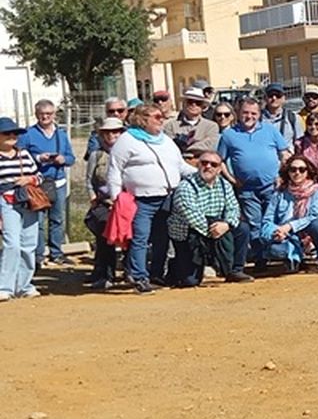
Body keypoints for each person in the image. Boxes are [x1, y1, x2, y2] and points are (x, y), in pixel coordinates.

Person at [107, 103, 194, 293]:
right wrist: (116, 198)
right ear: (142, 119)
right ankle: (139, 277)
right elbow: (115, 170)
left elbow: (180, 166)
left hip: (166, 197)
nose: (161, 120)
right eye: (156, 117)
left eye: (162, 116)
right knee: (141, 238)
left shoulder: (166, 141)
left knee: (162, 239)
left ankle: (156, 273)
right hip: (140, 200)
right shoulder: (127, 140)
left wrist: (200, 173)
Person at [217, 97, 292, 279]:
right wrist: (232, 179)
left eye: (253, 113)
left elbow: (284, 153)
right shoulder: (229, 135)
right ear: (238, 113)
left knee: (274, 220)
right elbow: (220, 161)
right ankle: (260, 258)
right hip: (247, 189)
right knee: (254, 224)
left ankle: (279, 254)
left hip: (272, 187)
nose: (249, 116)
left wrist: (282, 175)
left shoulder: (270, 130)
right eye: (245, 113)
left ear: (259, 114)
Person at [167, 147, 244, 286]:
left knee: (242, 229)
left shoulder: (225, 185)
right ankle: (176, 268)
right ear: (198, 165)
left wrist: (226, 225)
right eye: (204, 163)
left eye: (213, 164)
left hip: (216, 227)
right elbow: (193, 219)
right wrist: (216, 232)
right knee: (190, 282)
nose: (208, 166)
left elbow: (233, 208)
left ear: (219, 169)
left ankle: (234, 270)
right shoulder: (185, 187)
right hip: (190, 233)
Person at [254, 155, 318, 272]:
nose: (297, 173)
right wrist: (277, 232)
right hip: (287, 236)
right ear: (288, 172)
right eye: (293, 169)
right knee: (275, 250)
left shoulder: (316, 192)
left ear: (308, 172)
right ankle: (296, 258)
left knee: (317, 225)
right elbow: (267, 220)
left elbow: (314, 216)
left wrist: (290, 226)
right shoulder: (279, 193)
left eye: (302, 169)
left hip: (307, 231)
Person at [19, 99, 74, 266]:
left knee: (57, 219)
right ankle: (38, 255)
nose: (45, 117)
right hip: (37, 184)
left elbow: (71, 158)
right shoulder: (27, 134)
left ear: (54, 114)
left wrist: (63, 159)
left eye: (48, 114)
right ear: (36, 114)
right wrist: (38, 158)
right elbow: (19, 156)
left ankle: (57, 253)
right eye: (42, 114)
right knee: (38, 221)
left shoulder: (61, 134)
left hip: (58, 182)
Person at [0, 116, 44, 301]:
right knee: (12, 244)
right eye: (7, 133)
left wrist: (30, 179)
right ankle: (5, 287)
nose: (12, 137)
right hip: (6, 202)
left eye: (15, 133)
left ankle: (24, 285)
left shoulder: (24, 154)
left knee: (29, 244)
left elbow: (39, 176)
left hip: (28, 202)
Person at [83, 117, 126, 288]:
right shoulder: (97, 155)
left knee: (129, 238)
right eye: (107, 132)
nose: (111, 135)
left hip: (124, 203)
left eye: (115, 131)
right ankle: (105, 274)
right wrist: (93, 198)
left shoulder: (128, 153)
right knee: (104, 236)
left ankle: (131, 271)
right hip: (103, 202)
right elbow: (89, 180)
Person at [163, 88, 221, 159]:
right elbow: (170, 146)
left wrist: (184, 148)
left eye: (198, 103)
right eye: (190, 101)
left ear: (203, 106)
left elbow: (209, 145)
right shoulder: (170, 125)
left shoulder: (211, 126)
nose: (194, 105)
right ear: (184, 104)